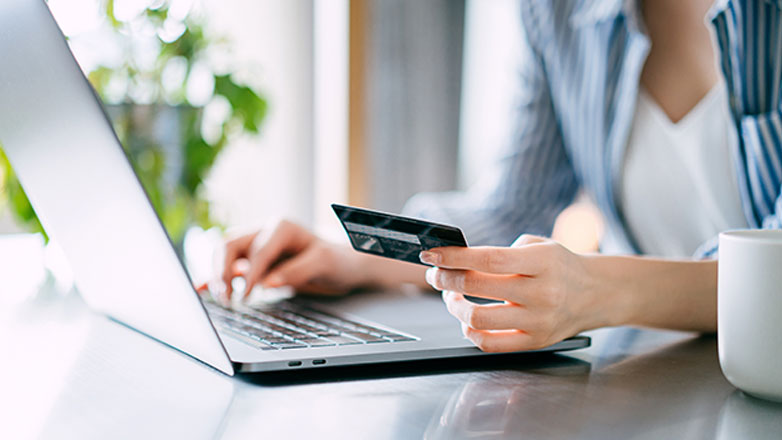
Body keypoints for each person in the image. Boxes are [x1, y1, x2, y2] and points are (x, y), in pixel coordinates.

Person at [216, 0, 782, 353]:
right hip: (650, 375)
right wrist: (360, 253)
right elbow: (513, 209)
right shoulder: (557, 12)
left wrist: (599, 290)